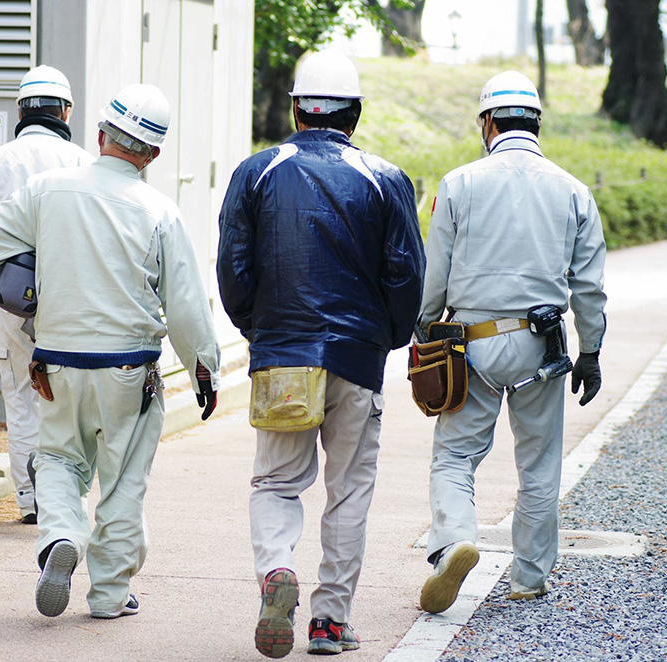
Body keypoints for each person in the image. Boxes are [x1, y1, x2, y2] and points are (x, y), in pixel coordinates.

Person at [0, 83, 221, 620]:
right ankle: (109, 595)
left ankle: (61, 536)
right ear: (153, 154)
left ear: (99, 135)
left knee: (60, 460)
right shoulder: (159, 209)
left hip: (59, 359)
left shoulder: (47, 190)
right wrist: (205, 367)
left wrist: (36, 310)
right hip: (128, 369)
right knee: (123, 482)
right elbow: (183, 303)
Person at [217, 50, 425, 657]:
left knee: (277, 482)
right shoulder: (386, 178)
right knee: (349, 491)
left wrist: (263, 331)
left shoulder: (256, 171)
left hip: (283, 354)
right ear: (355, 114)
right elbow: (405, 277)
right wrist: (383, 337)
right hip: (357, 358)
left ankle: (277, 569)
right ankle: (331, 623)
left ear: (295, 110)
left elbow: (234, 270)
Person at [417, 70, 607, 613]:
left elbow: (436, 275)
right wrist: (590, 352)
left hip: (470, 342)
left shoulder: (458, 183)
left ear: (488, 122)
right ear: (537, 122)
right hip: (542, 345)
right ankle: (528, 577)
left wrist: (424, 331)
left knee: (455, 455)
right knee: (540, 463)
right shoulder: (573, 190)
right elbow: (589, 286)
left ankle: (456, 541)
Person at [0, 65, 94, 524]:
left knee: (20, 396)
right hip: (71, 299)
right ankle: (66, 498)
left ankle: (31, 500)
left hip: (13, 299)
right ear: (66, 110)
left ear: (21, 110)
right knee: (67, 398)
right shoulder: (80, 161)